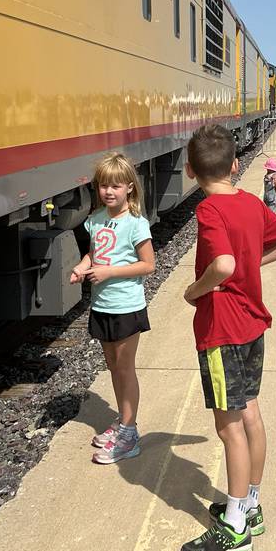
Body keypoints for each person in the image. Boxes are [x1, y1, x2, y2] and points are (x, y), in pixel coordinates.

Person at [180, 124, 276, 551]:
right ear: (235, 165)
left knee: (228, 426)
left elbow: (224, 264)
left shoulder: (210, 211)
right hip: (252, 325)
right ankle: (250, 505)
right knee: (251, 412)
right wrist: (255, 263)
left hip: (222, 330)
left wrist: (195, 290)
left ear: (190, 170)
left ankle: (233, 529)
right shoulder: (250, 201)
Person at [70, 153, 156, 464]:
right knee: (112, 367)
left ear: (130, 188)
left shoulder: (136, 224)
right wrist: (82, 268)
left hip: (126, 306)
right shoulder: (94, 220)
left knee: (124, 368)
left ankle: (129, 433)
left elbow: (148, 264)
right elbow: (93, 255)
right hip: (102, 305)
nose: (108, 192)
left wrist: (109, 273)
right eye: (103, 186)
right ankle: (123, 422)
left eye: (116, 186)